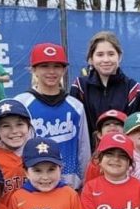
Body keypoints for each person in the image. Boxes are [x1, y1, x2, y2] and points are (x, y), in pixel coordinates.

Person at [15, 43, 91, 189]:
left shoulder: (75, 106)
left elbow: (84, 149)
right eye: (44, 66)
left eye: (57, 66)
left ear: (64, 70)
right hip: (32, 184)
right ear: (34, 70)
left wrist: (84, 181)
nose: (51, 71)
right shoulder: (21, 103)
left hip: (69, 185)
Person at [69, 30, 140, 141]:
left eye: (111, 54)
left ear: (119, 57)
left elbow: (138, 131)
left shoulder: (133, 89)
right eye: (100, 55)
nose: (106, 60)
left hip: (123, 155)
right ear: (91, 59)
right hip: (89, 155)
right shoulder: (80, 87)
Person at [0, 98, 34, 202]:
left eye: (19, 124)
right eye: (6, 126)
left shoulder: (39, 152)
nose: (14, 131)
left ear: (28, 126)